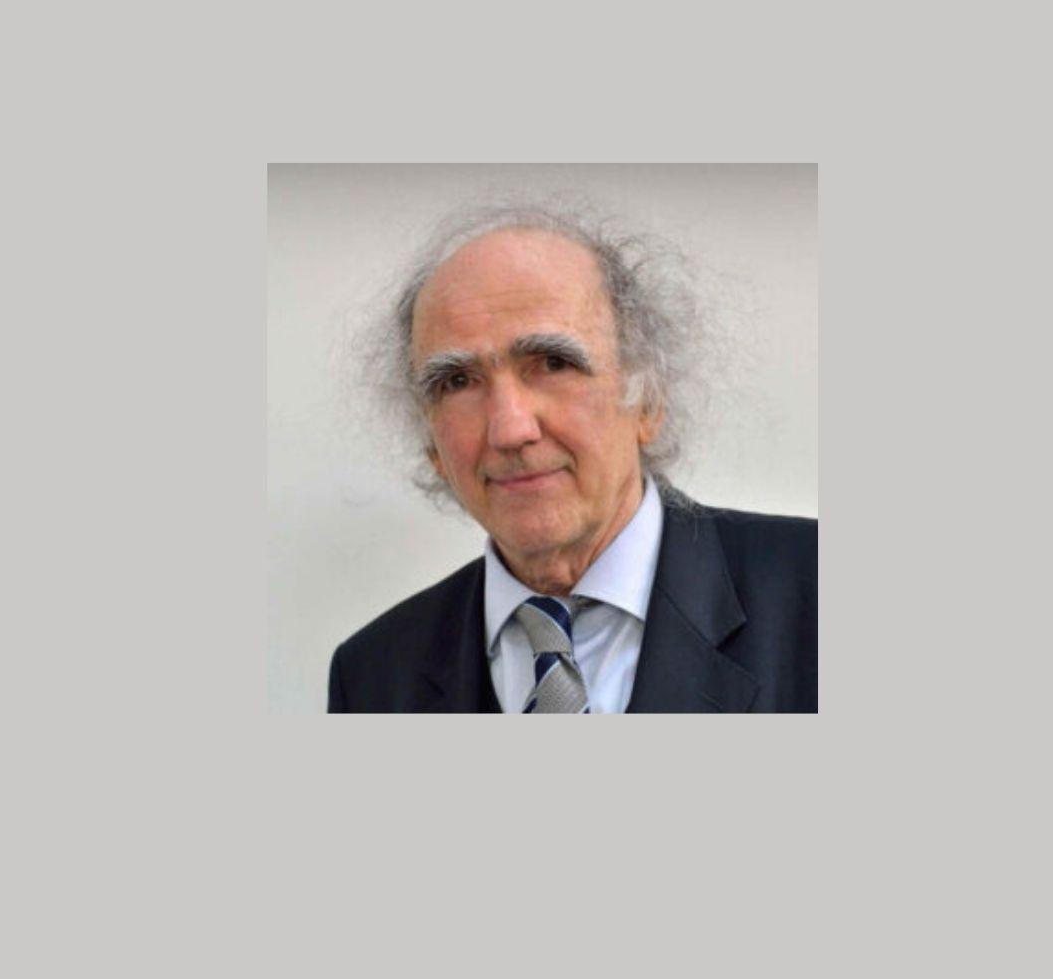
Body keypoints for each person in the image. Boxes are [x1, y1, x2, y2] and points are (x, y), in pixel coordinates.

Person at [327, 201, 816, 713]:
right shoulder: (372, 677)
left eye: (554, 363)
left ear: (647, 399)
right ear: (431, 444)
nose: (510, 430)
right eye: (458, 381)